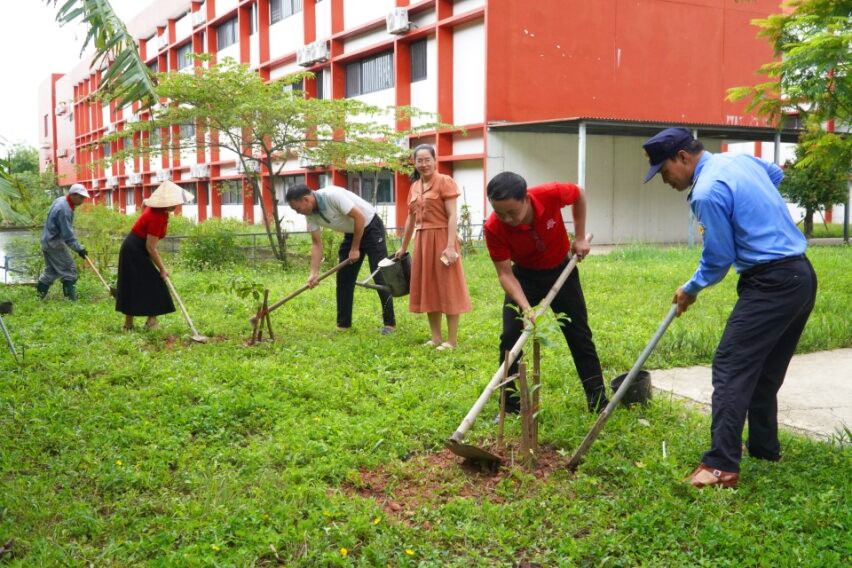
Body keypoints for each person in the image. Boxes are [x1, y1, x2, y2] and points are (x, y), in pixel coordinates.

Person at [642, 127, 816, 489]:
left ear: (682, 158)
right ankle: (765, 448)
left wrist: (691, 289)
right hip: (801, 276)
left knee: (731, 364)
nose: (664, 180)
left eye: (664, 171)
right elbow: (775, 175)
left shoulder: (705, 192)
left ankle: (720, 466)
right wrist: (758, 211)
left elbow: (719, 257)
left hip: (771, 282)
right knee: (765, 371)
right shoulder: (735, 160)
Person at [484, 172, 608, 414]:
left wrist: (580, 237)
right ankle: (510, 408)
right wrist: (526, 308)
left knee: (579, 334)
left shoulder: (550, 193)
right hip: (525, 278)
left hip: (562, 270)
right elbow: (505, 274)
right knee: (510, 338)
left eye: (512, 212)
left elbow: (579, 194)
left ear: (527, 199)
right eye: (500, 213)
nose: (507, 219)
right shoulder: (493, 228)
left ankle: (598, 401)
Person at [286, 183, 396, 334]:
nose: (298, 213)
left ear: (306, 200)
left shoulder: (333, 195)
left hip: (370, 226)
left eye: (297, 209)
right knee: (344, 278)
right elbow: (317, 244)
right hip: (351, 232)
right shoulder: (310, 215)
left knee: (379, 274)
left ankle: (390, 324)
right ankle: (343, 325)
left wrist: (355, 248)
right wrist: (313, 273)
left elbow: (360, 217)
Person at [395, 145, 471, 349]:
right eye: (419, 160)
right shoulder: (414, 186)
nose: (424, 164)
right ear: (415, 163)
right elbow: (411, 219)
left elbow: (453, 215)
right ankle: (436, 337)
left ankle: (451, 341)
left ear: (435, 160)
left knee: (449, 287)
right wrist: (403, 246)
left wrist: (450, 246)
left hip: (443, 239)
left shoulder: (445, 181)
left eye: (427, 159)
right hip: (422, 241)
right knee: (429, 287)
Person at [115, 180, 193, 330]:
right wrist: (162, 270)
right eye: (173, 201)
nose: (177, 204)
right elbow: (150, 247)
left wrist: (143, 212)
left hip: (134, 246)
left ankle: (141, 322)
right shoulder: (156, 217)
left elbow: (144, 203)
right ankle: (141, 323)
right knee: (153, 282)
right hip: (134, 250)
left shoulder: (158, 210)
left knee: (140, 283)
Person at [36, 184, 90, 301]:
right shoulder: (64, 210)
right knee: (70, 271)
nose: (83, 200)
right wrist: (79, 249)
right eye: (81, 197)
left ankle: (38, 299)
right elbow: (68, 235)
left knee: (50, 272)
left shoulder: (60, 200)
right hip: (55, 243)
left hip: (47, 240)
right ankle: (71, 302)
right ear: (73, 195)